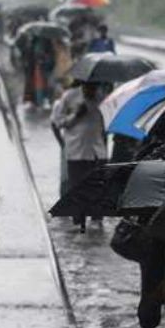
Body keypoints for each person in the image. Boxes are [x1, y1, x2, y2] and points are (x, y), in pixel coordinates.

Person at [50, 82, 107, 229]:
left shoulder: (102, 98)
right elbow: (58, 121)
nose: (92, 90)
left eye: (95, 88)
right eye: (90, 87)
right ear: (84, 85)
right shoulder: (70, 96)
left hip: (97, 150)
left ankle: (96, 218)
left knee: (98, 186)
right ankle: (78, 219)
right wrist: (76, 115)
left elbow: (105, 123)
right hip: (76, 151)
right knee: (76, 186)